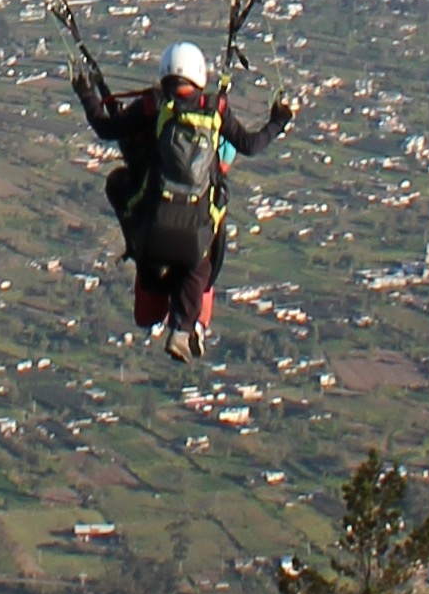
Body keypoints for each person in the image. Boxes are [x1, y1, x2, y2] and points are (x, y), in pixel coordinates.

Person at [70, 26, 297, 356]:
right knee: (200, 264)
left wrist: (86, 93)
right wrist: (278, 120)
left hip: (150, 232)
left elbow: (106, 128)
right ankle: (183, 328)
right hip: (195, 239)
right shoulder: (215, 108)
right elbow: (250, 144)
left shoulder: (153, 104)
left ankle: (142, 262)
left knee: (118, 183)